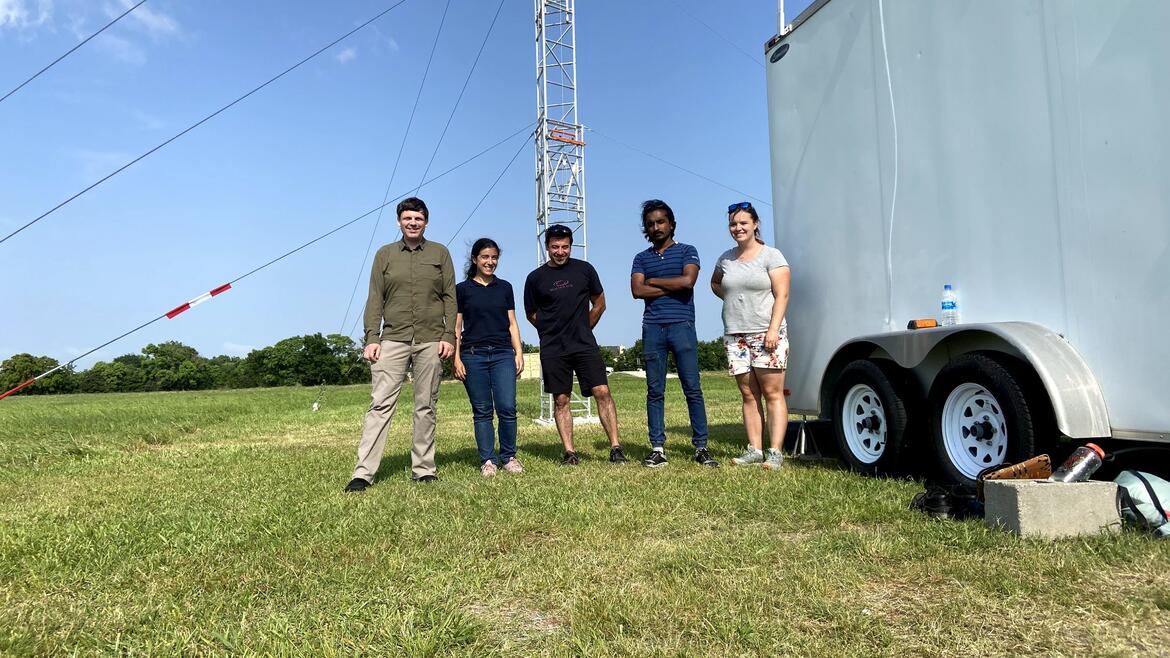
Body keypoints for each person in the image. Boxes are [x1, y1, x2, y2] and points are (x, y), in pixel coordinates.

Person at [345, 197, 456, 491]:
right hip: (392, 339)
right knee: (380, 405)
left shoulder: (440, 253)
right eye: (407, 218)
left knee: (426, 406)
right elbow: (374, 299)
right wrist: (371, 338)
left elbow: (450, 298)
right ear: (399, 221)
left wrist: (449, 336)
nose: (413, 223)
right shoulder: (384, 255)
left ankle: (424, 469)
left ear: (426, 222)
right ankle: (363, 473)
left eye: (418, 219)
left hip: (431, 340)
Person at [523, 224, 626, 465]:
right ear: (547, 247)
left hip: (584, 344)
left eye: (565, 247)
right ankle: (570, 452)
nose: (560, 252)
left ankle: (615, 447)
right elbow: (531, 314)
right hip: (553, 348)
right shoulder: (535, 278)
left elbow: (599, 302)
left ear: (571, 246)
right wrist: (551, 330)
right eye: (555, 247)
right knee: (561, 399)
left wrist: (584, 327)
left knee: (602, 392)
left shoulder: (585, 270)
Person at [629, 200, 718, 468]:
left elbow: (688, 281)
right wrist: (672, 285)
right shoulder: (641, 257)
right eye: (651, 223)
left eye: (661, 221)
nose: (656, 227)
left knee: (692, 388)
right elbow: (637, 291)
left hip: (682, 326)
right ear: (646, 228)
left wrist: (653, 281)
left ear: (671, 223)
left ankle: (701, 447)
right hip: (653, 328)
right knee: (655, 390)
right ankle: (657, 448)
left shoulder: (688, 251)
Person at [710, 202, 791, 470]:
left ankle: (775, 453)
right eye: (733, 224)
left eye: (743, 223)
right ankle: (754, 450)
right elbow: (715, 283)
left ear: (755, 224)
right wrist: (734, 300)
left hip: (767, 333)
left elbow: (783, 295)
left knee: (772, 393)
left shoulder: (771, 256)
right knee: (748, 393)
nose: (738, 228)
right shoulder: (726, 258)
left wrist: (772, 329)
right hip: (736, 335)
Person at [453, 238, 525, 477]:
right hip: (473, 356)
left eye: (494, 257)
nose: (490, 262)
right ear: (475, 259)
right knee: (482, 410)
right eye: (485, 257)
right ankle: (488, 460)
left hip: (503, 353)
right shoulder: (462, 290)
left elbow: (512, 323)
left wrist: (519, 353)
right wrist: (456, 358)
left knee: (507, 407)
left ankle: (508, 457)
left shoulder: (505, 287)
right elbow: (457, 327)